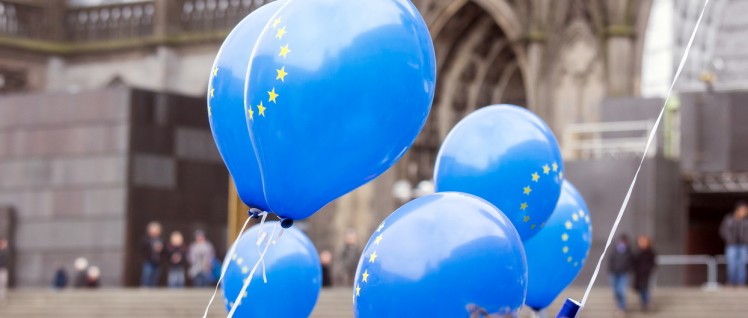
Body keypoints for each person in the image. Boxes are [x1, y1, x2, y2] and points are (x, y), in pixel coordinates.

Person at [720, 201, 748, 287]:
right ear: (737, 210)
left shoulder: (746, 221)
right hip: (731, 245)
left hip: (744, 245)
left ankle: (740, 283)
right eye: (744, 210)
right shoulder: (728, 219)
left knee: (742, 265)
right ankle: (731, 282)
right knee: (731, 264)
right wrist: (729, 239)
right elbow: (723, 231)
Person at [608, 234, 633, 315]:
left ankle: (622, 307)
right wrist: (611, 269)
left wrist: (628, 269)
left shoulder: (629, 251)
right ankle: (619, 305)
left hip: (623, 273)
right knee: (615, 291)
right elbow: (610, 260)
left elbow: (631, 262)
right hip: (614, 273)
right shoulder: (614, 250)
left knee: (621, 290)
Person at [633, 235, 657, 312]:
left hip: (646, 274)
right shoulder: (638, 252)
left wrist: (648, 269)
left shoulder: (650, 252)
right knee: (641, 289)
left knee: (645, 288)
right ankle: (644, 304)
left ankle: (647, 303)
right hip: (639, 274)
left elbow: (653, 263)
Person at [140, 221, 164, 287]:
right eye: (153, 229)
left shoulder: (161, 239)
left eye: (156, 230)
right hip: (148, 261)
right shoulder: (146, 239)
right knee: (147, 276)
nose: (154, 231)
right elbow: (142, 247)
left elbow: (165, 251)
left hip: (158, 262)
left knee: (155, 277)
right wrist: (152, 247)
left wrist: (161, 249)